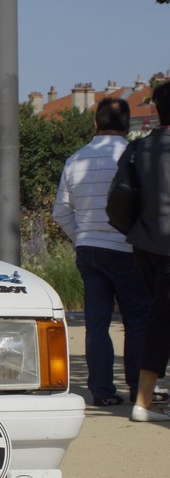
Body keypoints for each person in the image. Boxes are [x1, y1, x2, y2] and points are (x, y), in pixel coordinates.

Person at [53, 97, 152, 407]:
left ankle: (102, 391)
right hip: (128, 249)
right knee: (136, 321)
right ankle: (139, 389)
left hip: (89, 250)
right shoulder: (134, 156)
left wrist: (81, 236)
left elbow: (60, 211)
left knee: (97, 324)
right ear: (126, 124)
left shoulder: (76, 159)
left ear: (95, 123)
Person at [114, 81, 170, 421]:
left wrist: (133, 232)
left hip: (143, 245)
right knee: (160, 323)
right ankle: (144, 401)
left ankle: (146, 398)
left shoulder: (137, 149)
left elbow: (120, 196)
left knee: (160, 319)